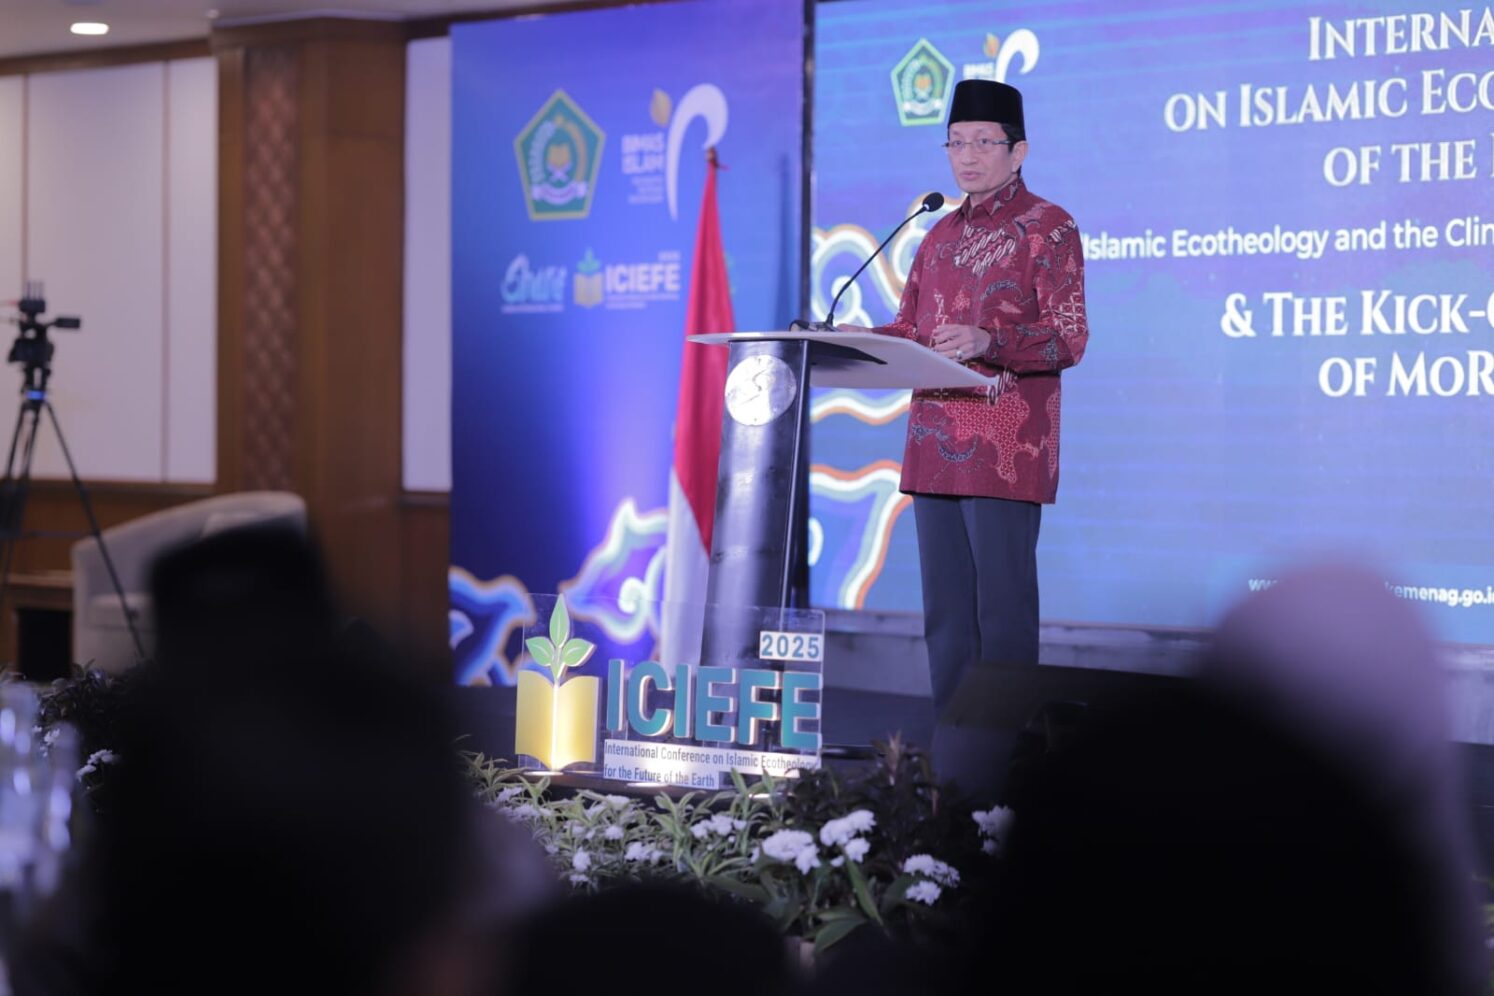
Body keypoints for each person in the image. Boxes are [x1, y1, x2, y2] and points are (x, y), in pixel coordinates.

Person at [841, 79, 1088, 793]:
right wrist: (853, 339)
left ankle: (1008, 773)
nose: (967, 155)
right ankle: (954, 769)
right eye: (956, 142)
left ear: (1019, 150)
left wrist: (990, 339)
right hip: (933, 447)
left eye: (983, 142)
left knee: (1001, 617)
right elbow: (911, 330)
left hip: (1007, 450)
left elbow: (1069, 337)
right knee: (947, 620)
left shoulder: (1049, 227)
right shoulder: (938, 234)